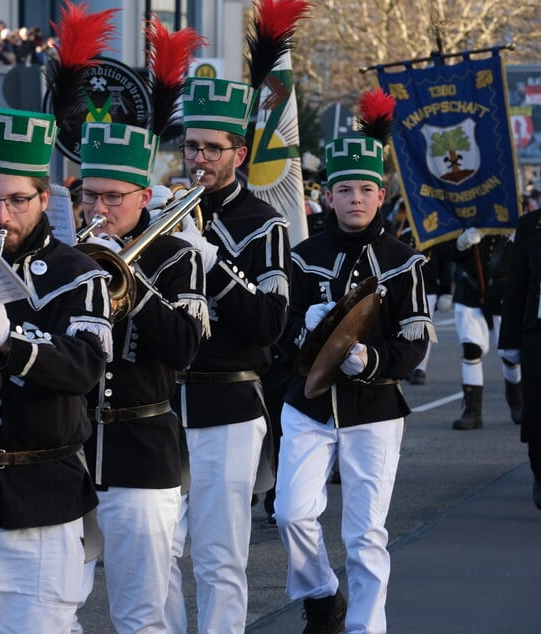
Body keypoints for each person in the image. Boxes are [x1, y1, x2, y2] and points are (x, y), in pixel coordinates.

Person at [0, 106, 111, 632]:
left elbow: (84, 368)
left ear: (43, 200)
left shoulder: (80, 275)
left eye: (17, 201)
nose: (2, 217)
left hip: (42, 501)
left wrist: (13, 342)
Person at [273, 89, 433, 634]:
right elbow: (282, 333)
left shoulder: (403, 261)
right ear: (326, 196)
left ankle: (367, 628)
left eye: (366, 189)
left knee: (366, 535)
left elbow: (416, 343)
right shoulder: (303, 256)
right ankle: (321, 593)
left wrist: (370, 359)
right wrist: (307, 331)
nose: (356, 199)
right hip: (309, 405)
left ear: (381, 194)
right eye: (345, 189)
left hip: (375, 408)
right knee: (290, 513)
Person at [163, 76, 292, 634]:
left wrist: (212, 261)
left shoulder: (264, 224)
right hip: (162, 403)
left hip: (229, 400)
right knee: (159, 552)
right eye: (191, 146)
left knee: (218, 556)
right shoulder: (160, 216)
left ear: (238, 154)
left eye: (213, 148)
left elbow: (269, 323)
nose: (199, 159)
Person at [77, 121, 207, 632]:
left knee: (140, 612)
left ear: (144, 197)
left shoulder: (178, 257)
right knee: (54, 604)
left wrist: (129, 282)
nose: (99, 209)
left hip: (144, 450)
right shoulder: (68, 260)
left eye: (113, 196)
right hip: (73, 447)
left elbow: (184, 348)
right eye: (90, 196)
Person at [447, 224, 522, 428]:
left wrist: (520, 239)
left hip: (505, 291)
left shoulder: (516, 220)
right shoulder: (464, 218)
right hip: (470, 290)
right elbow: (447, 253)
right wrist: (461, 244)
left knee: (510, 353)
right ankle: (472, 411)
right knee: (471, 349)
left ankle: (517, 402)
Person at [498, 206, 541, 509]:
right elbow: (516, 287)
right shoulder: (531, 225)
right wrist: (510, 340)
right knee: (538, 410)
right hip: (539, 335)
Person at [389, 198, 453, 385]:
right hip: (402, 288)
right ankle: (406, 364)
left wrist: (446, 290)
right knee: (400, 329)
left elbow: (445, 263)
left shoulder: (433, 234)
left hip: (428, 288)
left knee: (421, 328)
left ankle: (420, 369)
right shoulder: (400, 234)